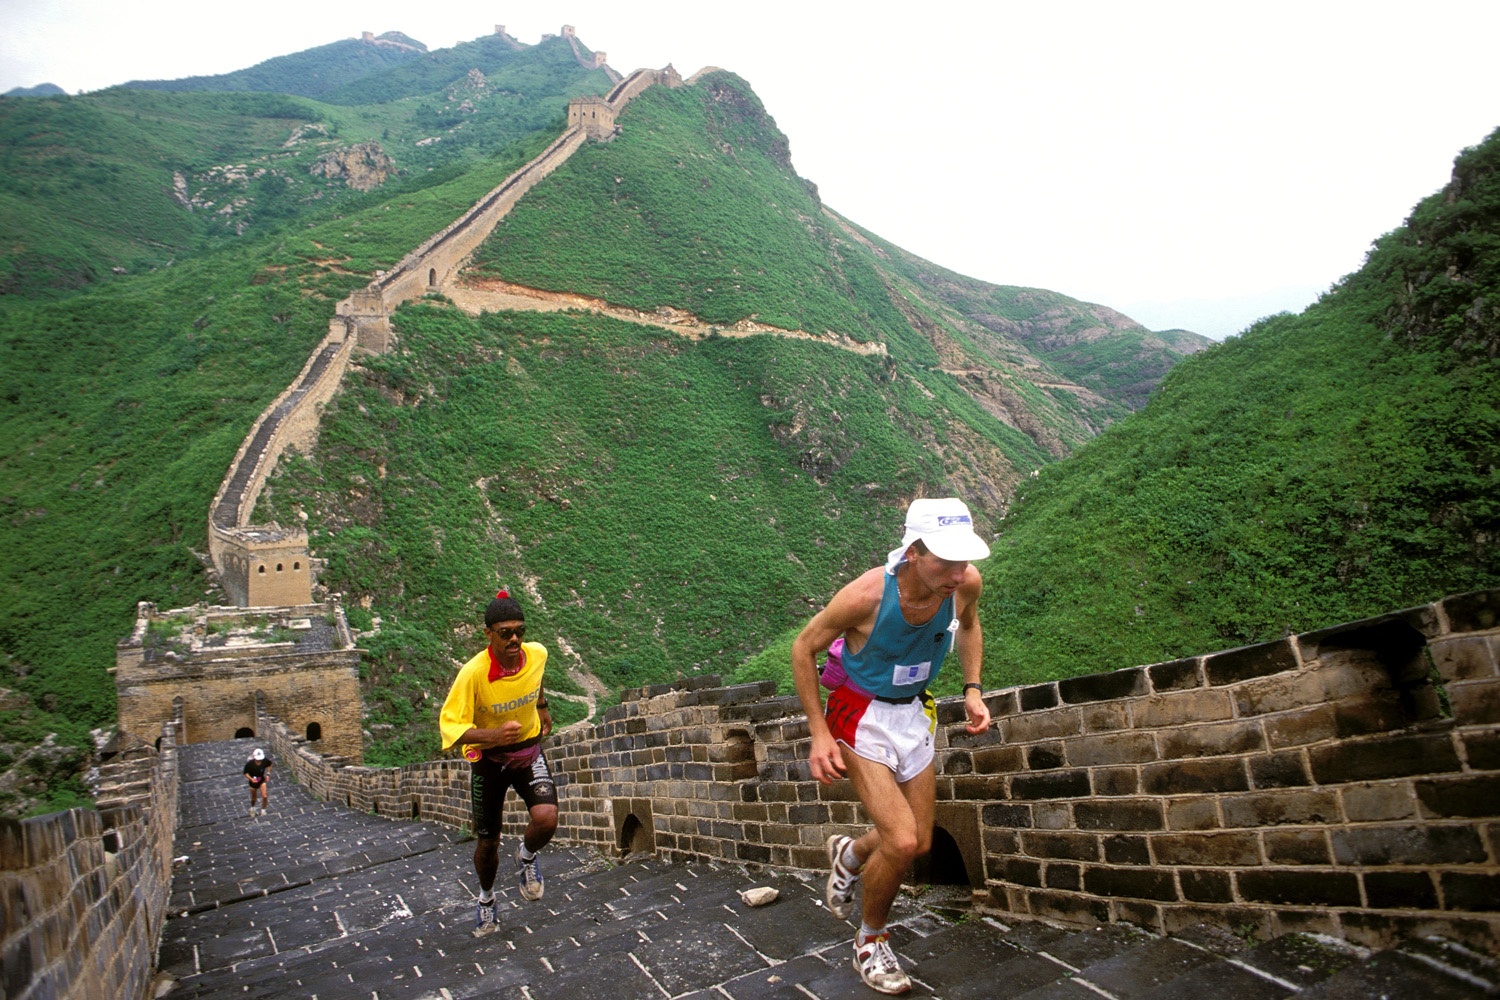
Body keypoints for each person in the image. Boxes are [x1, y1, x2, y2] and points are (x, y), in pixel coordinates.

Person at [792, 498, 992, 995]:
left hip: (914, 710)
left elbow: (968, 626)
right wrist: (819, 733)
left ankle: (851, 854)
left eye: (963, 560)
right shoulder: (866, 597)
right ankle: (870, 940)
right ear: (914, 553)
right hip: (858, 711)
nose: (958, 573)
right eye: (946, 561)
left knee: (919, 842)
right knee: (901, 839)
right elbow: (803, 646)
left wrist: (972, 689)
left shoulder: (964, 584)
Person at [439, 589, 557, 937]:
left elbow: (535, 679)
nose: (515, 638)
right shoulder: (472, 675)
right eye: (505, 632)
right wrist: (493, 737)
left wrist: (542, 704)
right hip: (489, 763)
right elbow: (450, 729)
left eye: (520, 630)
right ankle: (487, 899)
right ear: (488, 634)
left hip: (528, 752)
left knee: (547, 819)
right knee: (488, 843)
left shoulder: (537, 654)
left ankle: (526, 857)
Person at [244, 748, 272, 818]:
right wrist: (251, 779)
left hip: (261, 780)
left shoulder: (264, 761)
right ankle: (252, 808)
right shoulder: (250, 764)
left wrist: (268, 774)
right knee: (254, 798)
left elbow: (270, 764)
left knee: (264, 796)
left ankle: (263, 810)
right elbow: (245, 773)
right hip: (253, 782)